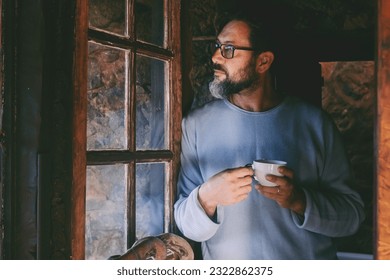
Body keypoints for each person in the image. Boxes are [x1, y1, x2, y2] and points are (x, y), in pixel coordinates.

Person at [174, 14, 365, 260]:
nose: (215, 57)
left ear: (263, 62)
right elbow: (185, 224)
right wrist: (208, 197)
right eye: (217, 47)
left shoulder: (315, 124)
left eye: (229, 49)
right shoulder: (196, 125)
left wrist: (300, 201)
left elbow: (352, 217)